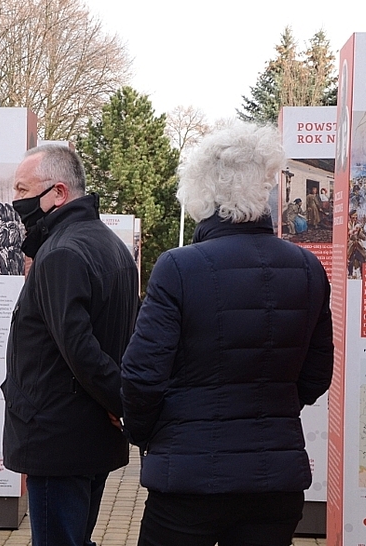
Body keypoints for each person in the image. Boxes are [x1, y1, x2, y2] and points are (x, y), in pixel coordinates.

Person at [120, 122, 333, 546]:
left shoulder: (178, 268)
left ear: (202, 190)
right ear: (266, 185)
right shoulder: (307, 268)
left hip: (188, 480)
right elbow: (316, 375)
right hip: (275, 483)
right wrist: (270, 407)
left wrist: (146, 434)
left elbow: (142, 377)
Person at [2, 144, 139, 546]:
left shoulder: (61, 253)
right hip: (87, 436)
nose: (16, 200)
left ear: (58, 193)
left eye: (23, 190)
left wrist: (123, 401)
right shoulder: (111, 246)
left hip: (58, 439)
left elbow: (80, 349)